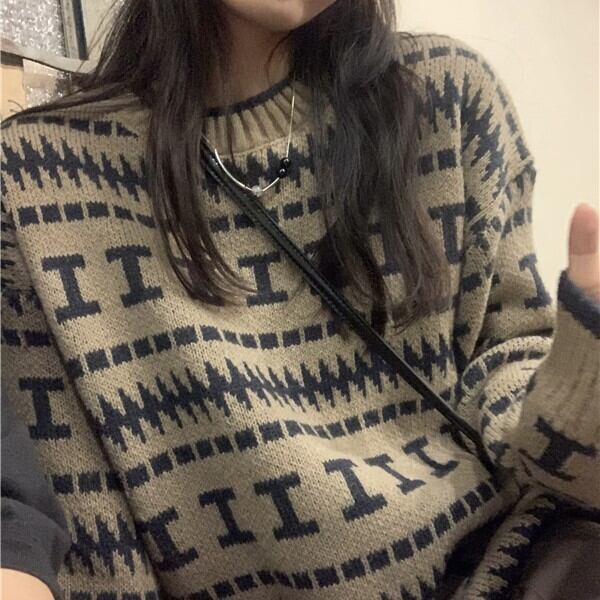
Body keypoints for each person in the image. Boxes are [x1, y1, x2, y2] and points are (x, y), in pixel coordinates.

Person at [1, 1, 599, 598]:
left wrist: (586, 382)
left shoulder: (446, 94)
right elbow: (80, 520)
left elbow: (507, 377)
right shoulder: (35, 177)